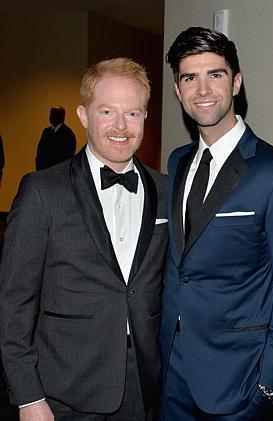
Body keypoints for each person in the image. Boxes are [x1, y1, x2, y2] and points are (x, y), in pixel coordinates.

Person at [160, 26, 273, 420]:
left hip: (239, 385)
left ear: (236, 83)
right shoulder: (177, 162)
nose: (203, 89)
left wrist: (268, 386)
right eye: (189, 78)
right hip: (170, 376)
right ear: (178, 91)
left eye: (216, 74)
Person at [0, 57, 168, 421]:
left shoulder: (166, 190)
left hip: (143, 386)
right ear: (83, 114)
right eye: (107, 111)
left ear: (144, 117)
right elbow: (15, 303)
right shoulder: (42, 192)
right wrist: (28, 397)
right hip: (64, 393)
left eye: (133, 113)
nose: (121, 127)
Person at [35, 105, 76, 170]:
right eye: (50, 113)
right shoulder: (46, 132)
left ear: (61, 116)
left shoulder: (68, 134)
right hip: (43, 171)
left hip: (58, 172)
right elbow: (39, 152)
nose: (50, 116)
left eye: (54, 114)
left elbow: (67, 158)